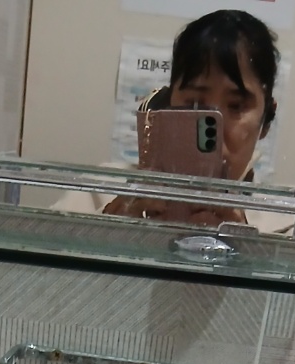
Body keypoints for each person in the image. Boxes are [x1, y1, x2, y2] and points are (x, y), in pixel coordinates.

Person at [94, 10, 284, 230]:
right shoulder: (99, 191)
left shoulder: (290, 223)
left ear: (266, 119)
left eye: (236, 106)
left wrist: (245, 246)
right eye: (194, 104)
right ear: (167, 107)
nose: (212, 128)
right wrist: (109, 232)